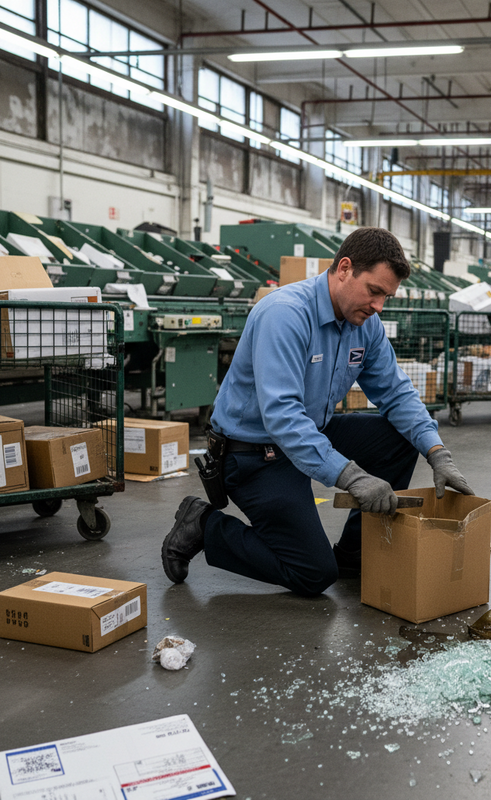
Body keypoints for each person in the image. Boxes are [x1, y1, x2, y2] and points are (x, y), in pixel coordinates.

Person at [161, 227, 473, 596]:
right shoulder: (285, 315)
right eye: (374, 292)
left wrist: (437, 452)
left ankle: (356, 552)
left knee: (399, 439)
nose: (378, 307)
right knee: (312, 572)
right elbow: (282, 416)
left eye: (386, 297)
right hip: (253, 453)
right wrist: (352, 476)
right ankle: (203, 524)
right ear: (344, 269)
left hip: (309, 433)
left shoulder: (366, 326)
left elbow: (396, 391)